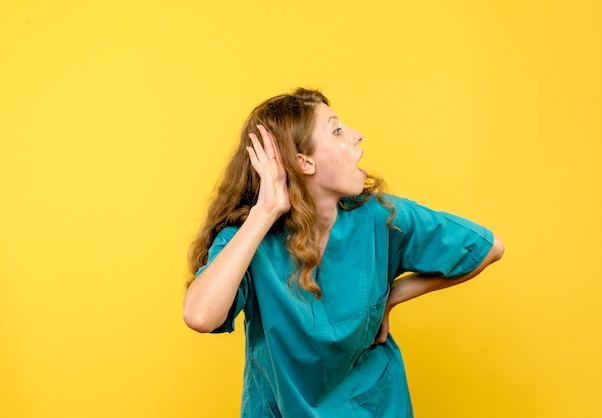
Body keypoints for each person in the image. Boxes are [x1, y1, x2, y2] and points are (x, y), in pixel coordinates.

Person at [183, 88, 504, 417]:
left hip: (374, 406)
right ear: (303, 162)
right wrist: (264, 212)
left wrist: (391, 297)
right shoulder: (249, 239)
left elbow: (487, 247)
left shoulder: (380, 216)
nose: (357, 135)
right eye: (336, 130)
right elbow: (201, 316)